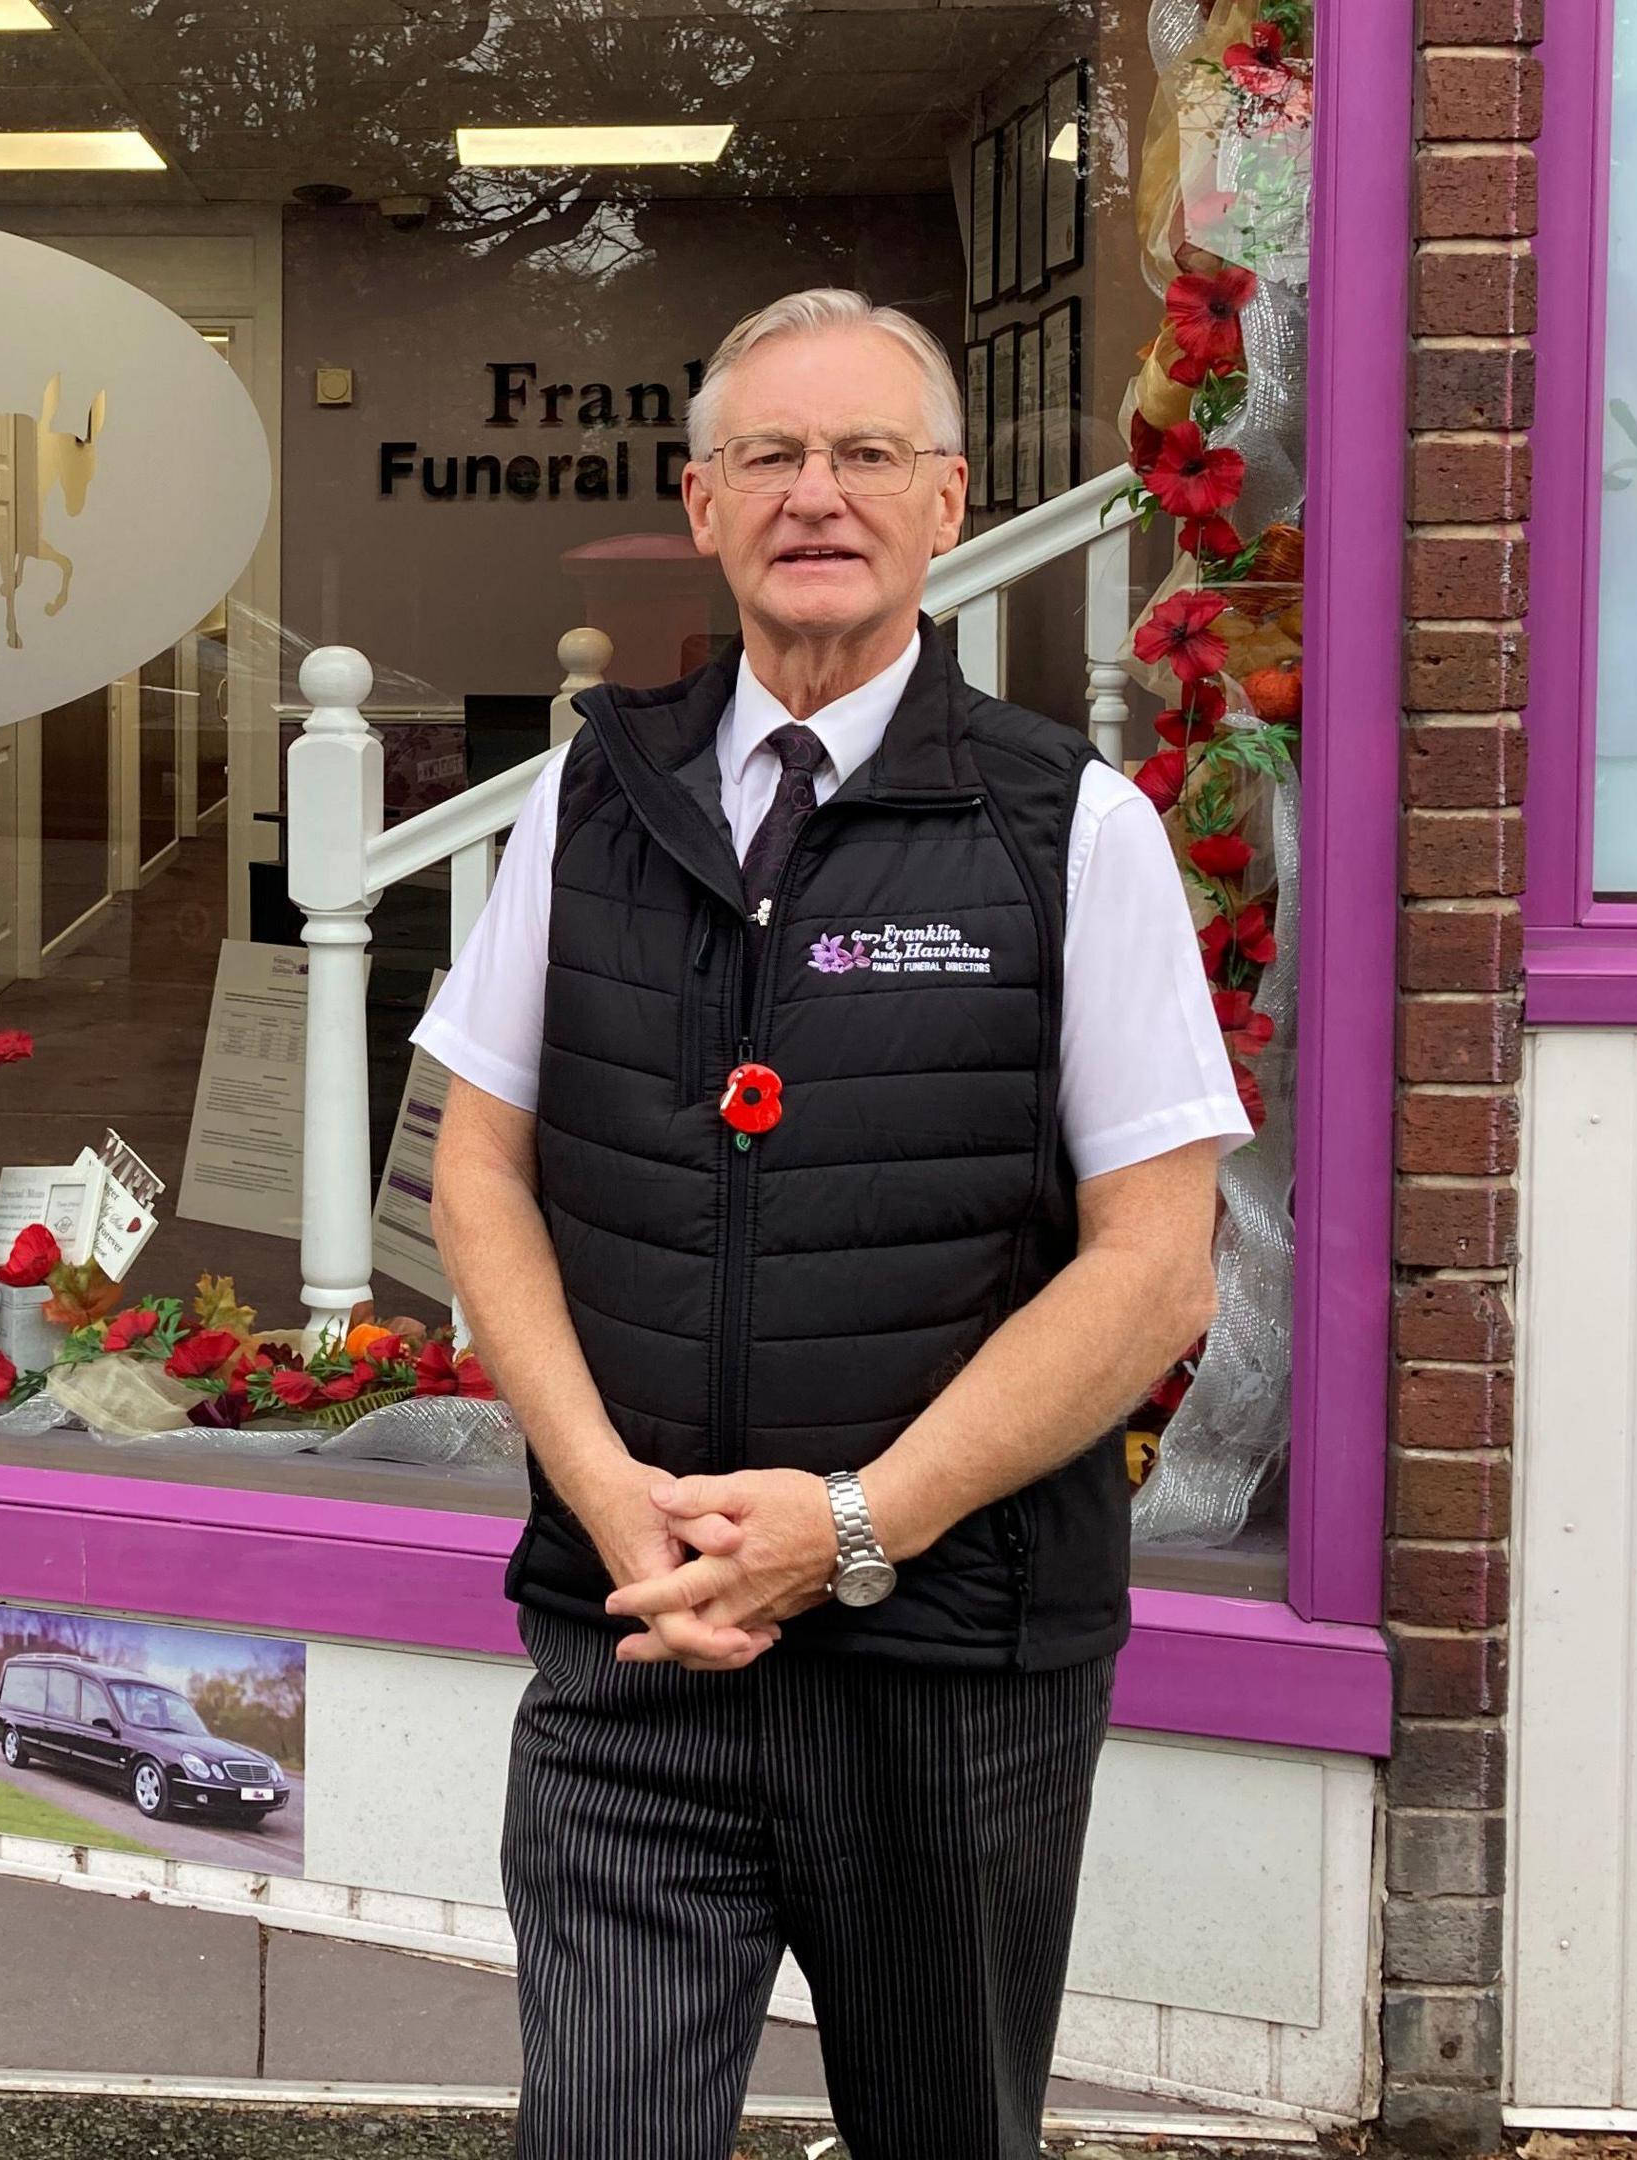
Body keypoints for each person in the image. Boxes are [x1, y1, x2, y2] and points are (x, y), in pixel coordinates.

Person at [413, 288, 1247, 2160]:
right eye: (768, 456)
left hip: (951, 1680)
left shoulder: (1070, 831)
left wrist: (856, 1529)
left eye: (865, 453)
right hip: (639, 1647)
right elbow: (480, 1171)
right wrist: (607, 1492)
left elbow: (1156, 1266)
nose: (817, 495)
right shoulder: (590, 798)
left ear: (948, 502)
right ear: (698, 505)